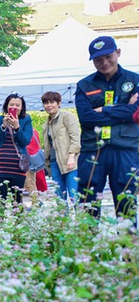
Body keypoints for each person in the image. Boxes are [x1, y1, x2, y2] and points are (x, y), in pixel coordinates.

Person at [75, 36, 139, 219]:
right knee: (87, 202)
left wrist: (104, 109)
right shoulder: (84, 85)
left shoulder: (135, 80)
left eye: (108, 56)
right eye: (98, 59)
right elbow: (86, 118)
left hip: (125, 149)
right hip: (92, 151)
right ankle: (85, 246)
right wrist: (125, 112)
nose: (104, 63)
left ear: (118, 53)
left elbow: (137, 113)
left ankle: (127, 246)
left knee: (127, 202)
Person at [0, 93, 33, 204]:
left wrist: (17, 127)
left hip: (18, 167)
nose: (15, 107)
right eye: (12, 104)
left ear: (22, 107)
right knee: (0, 200)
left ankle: (17, 221)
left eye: (18, 105)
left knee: (16, 201)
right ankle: (1, 220)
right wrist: (2, 126)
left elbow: (25, 141)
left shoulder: (26, 120)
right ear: (6, 106)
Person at [41, 91, 81, 202]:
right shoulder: (46, 123)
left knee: (74, 195)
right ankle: (63, 219)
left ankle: (77, 219)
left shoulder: (67, 116)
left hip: (70, 162)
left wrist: (71, 156)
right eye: (46, 103)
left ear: (59, 103)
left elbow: (75, 138)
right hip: (54, 163)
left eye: (52, 102)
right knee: (59, 198)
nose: (49, 105)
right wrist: (47, 164)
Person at [24, 129, 48, 195]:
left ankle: (37, 203)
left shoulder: (24, 131)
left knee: (30, 184)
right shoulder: (33, 131)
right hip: (33, 160)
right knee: (31, 183)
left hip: (26, 160)